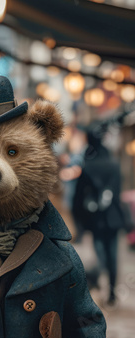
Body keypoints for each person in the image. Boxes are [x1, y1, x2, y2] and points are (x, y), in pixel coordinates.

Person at [72, 126, 124, 303]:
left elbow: (78, 197)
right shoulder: (114, 164)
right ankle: (112, 293)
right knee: (113, 254)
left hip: (95, 218)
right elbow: (117, 194)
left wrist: (78, 220)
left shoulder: (87, 166)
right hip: (114, 217)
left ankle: (99, 287)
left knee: (100, 251)